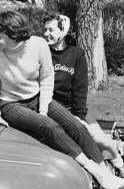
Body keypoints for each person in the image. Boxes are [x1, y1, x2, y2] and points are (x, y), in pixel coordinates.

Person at [0, 10, 124, 189]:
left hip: (38, 97)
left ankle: (107, 176)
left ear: (13, 33)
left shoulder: (38, 45)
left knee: (77, 126)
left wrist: (43, 110)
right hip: (11, 104)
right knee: (50, 127)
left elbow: (47, 78)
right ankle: (95, 172)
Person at [43, 13, 124, 177]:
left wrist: (79, 116)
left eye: (50, 30)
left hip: (73, 109)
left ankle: (118, 161)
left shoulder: (76, 54)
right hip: (52, 111)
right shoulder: (42, 53)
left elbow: (80, 88)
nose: (46, 34)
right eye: (44, 30)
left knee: (101, 140)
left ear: (63, 31)